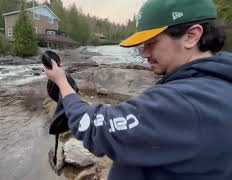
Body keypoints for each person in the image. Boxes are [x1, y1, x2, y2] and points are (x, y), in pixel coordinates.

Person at [44, 0, 232, 179]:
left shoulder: (184, 102)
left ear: (191, 36)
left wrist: (62, 82)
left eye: (151, 43)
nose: (144, 54)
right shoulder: (217, 85)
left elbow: (90, 125)